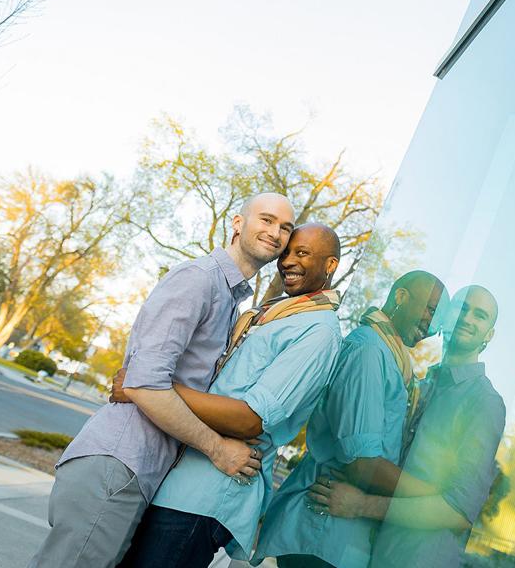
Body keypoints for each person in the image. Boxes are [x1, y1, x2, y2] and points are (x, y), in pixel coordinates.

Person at [28, 192, 295, 568]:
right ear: (237, 223)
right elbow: (144, 383)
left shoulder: (229, 298)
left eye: (285, 227)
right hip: (118, 464)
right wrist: (218, 449)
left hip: (140, 473)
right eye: (266, 220)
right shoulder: (198, 279)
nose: (276, 232)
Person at [117, 223, 345, 568]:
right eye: (286, 253)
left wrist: (150, 386)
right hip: (179, 479)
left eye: (303, 253)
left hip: (207, 493)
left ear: (330, 265)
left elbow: (250, 419)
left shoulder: (319, 332)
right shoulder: (276, 314)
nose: (288, 262)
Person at [252, 271, 447, 568]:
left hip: (340, 538)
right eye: (431, 309)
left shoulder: (394, 360)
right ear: (401, 296)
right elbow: (361, 464)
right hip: (321, 533)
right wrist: (436, 497)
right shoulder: (369, 351)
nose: (433, 325)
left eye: (439, 318)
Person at [309, 285, 506, 568]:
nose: (467, 318)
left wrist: (362, 505)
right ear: (445, 317)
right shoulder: (422, 383)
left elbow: (459, 511)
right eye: (461, 308)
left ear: (489, 335)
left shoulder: (484, 402)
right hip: (370, 552)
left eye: (480, 316)